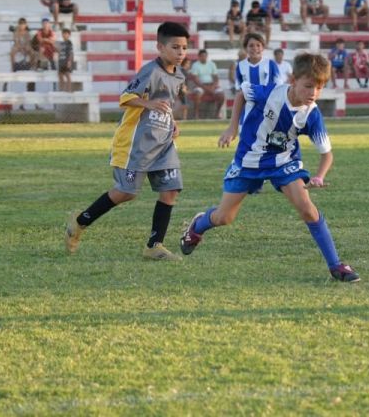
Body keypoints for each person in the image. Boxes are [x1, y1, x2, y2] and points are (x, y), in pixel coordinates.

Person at [179, 53, 359, 282]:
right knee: (224, 218)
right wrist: (232, 128)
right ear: (293, 80)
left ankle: (336, 266)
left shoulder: (311, 114)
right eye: (308, 86)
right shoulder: (271, 93)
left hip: (283, 162)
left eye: (319, 88)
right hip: (249, 160)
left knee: (307, 209)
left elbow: (327, 154)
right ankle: (198, 225)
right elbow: (241, 93)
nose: (313, 93)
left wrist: (319, 177)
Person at [64, 22, 190, 261]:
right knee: (126, 192)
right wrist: (148, 104)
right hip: (136, 145)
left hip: (163, 145)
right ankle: (80, 222)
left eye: (184, 47)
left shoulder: (179, 75)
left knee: (171, 191)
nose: (181, 52)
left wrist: (172, 122)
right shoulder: (150, 71)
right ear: (160, 47)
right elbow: (126, 97)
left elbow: (166, 103)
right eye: (175, 47)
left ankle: (154, 246)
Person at [220, 32, 281, 149]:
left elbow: (279, 85)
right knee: (246, 139)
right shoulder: (240, 66)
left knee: (272, 142)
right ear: (246, 48)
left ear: (263, 47)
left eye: (258, 45)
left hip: (268, 107)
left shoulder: (271, 64)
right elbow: (239, 89)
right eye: (251, 45)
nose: (255, 48)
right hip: (248, 108)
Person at [189, 49, 225, 119]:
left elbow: (216, 78)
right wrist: (206, 88)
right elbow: (196, 80)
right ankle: (196, 115)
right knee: (197, 94)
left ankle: (217, 114)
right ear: (199, 57)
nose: (204, 58)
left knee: (221, 95)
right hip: (200, 86)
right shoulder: (195, 65)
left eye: (205, 56)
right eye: (202, 56)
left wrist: (213, 86)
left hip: (212, 85)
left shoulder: (212, 64)